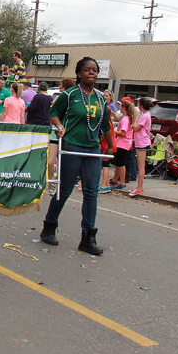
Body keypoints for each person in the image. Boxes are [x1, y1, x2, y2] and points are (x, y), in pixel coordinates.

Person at [42, 57, 114, 254]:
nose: (91, 73)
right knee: (64, 190)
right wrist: (59, 126)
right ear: (79, 73)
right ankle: (49, 226)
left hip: (93, 149)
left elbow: (105, 124)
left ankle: (87, 237)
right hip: (72, 146)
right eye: (87, 70)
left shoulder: (100, 98)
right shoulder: (70, 95)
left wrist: (110, 147)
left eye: (94, 70)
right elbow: (53, 113)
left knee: (91, 192)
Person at [129, 98, 153, 197]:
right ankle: (138, 187)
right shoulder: (146, 115)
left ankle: (139, 187)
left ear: (141, 106)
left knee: (141, 166)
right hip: (141, 141)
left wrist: (137, 117)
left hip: (142, 142)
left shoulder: (144, 116)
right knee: (140, 166)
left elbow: (135, 127)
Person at [110, 98, 136, 191]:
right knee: (118, 162)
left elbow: (123, 133)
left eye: (120, 105)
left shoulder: (125, 119)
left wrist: (114, 132)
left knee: (121, 163)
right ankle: (115, 179)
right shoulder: (126, 117)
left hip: (123, 143)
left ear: (124, 107)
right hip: (122, 143)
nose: (119, 107)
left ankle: (122, 182)